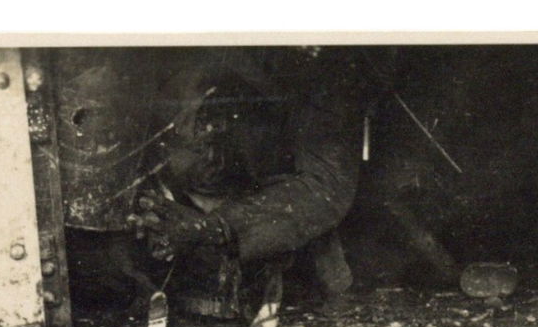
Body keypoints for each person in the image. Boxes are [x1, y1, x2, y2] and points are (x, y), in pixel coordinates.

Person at [120, 47, 382, 311]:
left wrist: (216, 228)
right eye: (201, 122)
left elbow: (326, 185)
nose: (211, 133)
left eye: (217, 120)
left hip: (277, 229)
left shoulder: (325, 68)